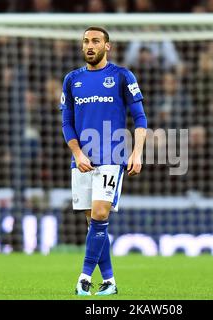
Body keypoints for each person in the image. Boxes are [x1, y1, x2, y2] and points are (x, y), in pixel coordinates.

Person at [60, 26, 147, 296]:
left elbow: (141, 118)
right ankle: (109, 281)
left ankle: (84, 277)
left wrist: (137, 152)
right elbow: (66, 122)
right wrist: (77, 153)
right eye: (86, 41)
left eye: (96, 41)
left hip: (112, 156)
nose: (89, 45)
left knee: (100, 214)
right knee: (94, 226)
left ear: (107, 46)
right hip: (83, 160)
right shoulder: (72, 80)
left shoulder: (122, 76)